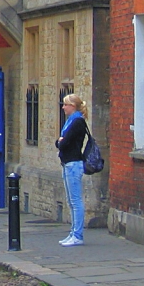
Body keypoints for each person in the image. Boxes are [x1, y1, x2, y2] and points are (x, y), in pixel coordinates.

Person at [57, 94, 89, 246]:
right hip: (67, 163)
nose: (63, 107)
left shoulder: (77, 122)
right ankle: (73, 232)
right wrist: (60, 141)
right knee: (71, 201)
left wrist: (60, 142)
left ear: (73, 106)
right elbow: (59, 142)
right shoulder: (71, 121)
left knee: (76, 201)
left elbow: (63, 143)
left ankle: (78, 235)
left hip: (74, 164)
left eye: (66, 105)